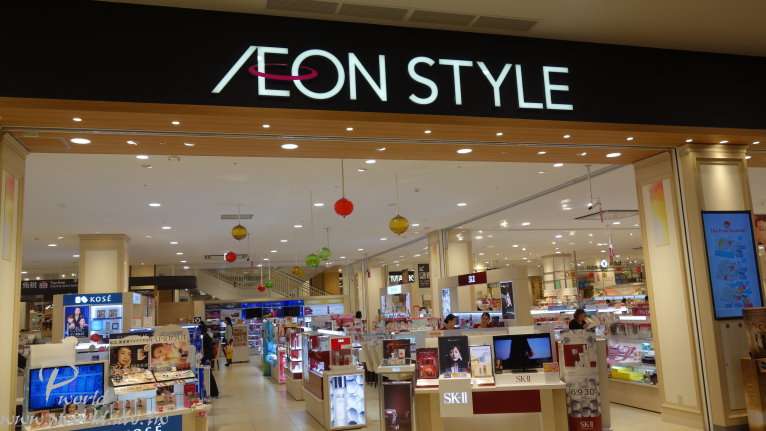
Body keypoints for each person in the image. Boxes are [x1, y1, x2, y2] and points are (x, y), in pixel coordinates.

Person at [199, 323, 219, 397]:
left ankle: (214, 392)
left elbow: (206, 350)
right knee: (209, 374)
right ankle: (213, 392)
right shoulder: (206, 336)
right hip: (207, 357)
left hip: (207, 357)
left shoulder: (205, 338)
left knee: (209, 374)